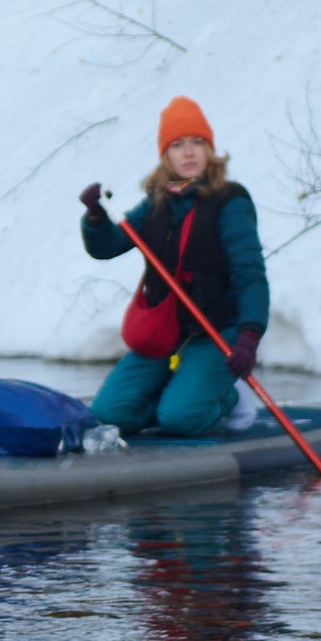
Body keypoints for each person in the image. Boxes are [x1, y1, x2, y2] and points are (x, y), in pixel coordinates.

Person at [78, 97, 269, 441]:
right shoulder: (156, 202)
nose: (189, 153)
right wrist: (94, 216)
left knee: (180, 419)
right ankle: (179, 393)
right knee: (108, 414)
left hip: (215, 332)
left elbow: (251, 275)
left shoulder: (231, 202)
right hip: (165, 334)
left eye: (198, 143)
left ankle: (230, 396)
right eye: (178, 145)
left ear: (209, 149)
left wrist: (249, 338)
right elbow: (107, 247)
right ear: (166, 155)